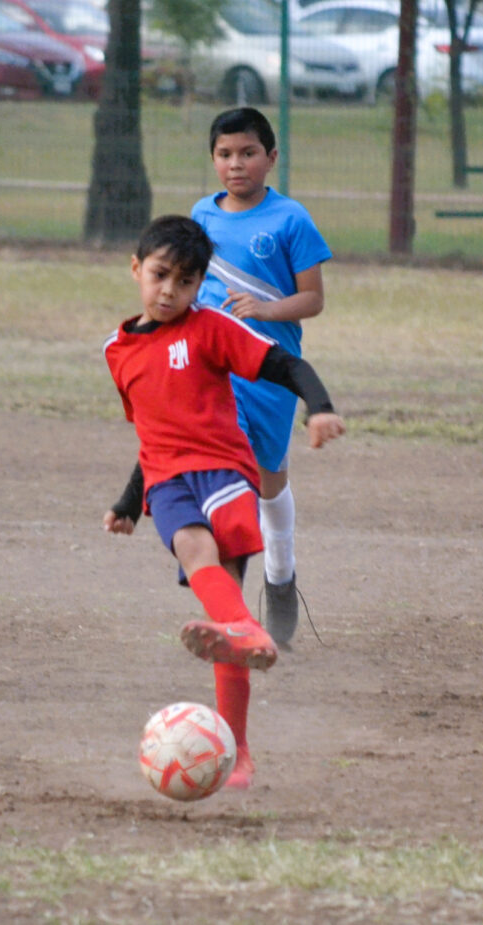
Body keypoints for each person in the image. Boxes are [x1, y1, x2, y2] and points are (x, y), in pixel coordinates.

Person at [103, 215, 344, 790]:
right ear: (136, 269)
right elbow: (151, 432)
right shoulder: (117, 350)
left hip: (226, 473)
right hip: (167, 481)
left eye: (185, 282)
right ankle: (246, 643)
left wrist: (321, 407)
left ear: (200, 285)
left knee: (222, 611)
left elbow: (287, 365)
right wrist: (131, 502)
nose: (169, 291)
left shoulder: (210, 329)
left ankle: (239, 744)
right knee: (196, 556)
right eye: (160, 275)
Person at [190, 107, 331, 648]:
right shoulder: (202, 214)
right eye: (225, 154)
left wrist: (264, 311)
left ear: (271, 158)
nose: (236, 164)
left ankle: (281, 577)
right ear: (213, 160)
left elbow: (312, 299)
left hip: (270, 370)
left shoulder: (291, 219)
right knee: (234, 479)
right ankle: (233, 617)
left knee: (269, 480)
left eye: (248, 153)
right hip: (215, 371)